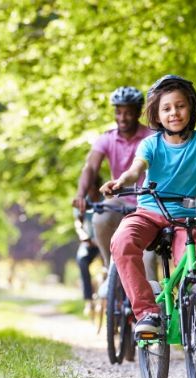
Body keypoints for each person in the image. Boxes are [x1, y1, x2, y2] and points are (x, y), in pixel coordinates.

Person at [100, 75, 196, 336]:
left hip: (187, 218)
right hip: (150, 213)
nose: (174, 112)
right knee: (122, 241)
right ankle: (147, 314)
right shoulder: (151, 143)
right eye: (166, 108)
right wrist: (121, 181)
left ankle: (192, 315)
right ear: (157, 114)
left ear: (191, 108)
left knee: (193, 269)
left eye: (180, 106)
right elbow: (135, 170)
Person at [73, 86, 158, 279]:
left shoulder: (151, 137)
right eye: (118, 112)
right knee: (100, 217)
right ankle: (109, 268)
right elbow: (90, 168)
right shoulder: (107, 138)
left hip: (149, 202)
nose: (122, 117)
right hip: (120, 199)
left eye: (128, 112)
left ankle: (154, 307)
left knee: (148, 260)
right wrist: (80, 194)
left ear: (138, 113)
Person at [73, 175, 104, 316]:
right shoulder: (83, 201)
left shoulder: (106, 199)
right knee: (82, 260)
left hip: (105, 240)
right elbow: (78, 222)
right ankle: (88, 300)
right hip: (90, 242)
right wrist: (83, 236)